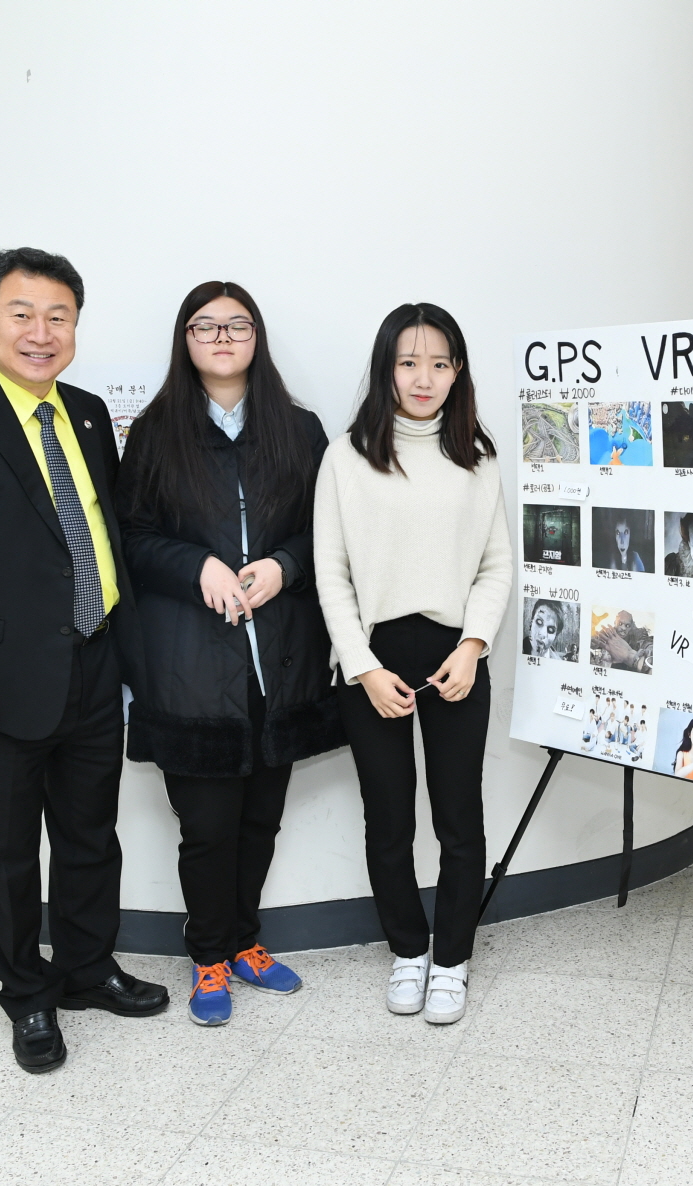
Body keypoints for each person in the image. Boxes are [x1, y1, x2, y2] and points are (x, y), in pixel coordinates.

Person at [0, 248, 169, 1075]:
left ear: (75, 327)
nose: (41, 333)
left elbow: (101, 530)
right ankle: (26, 994)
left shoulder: (83, 414)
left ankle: (87, 968)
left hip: (93, 662)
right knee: (5, 851)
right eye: (22, 314)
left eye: (58, 317)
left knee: (91, 836)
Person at [115, 281, 341, 1027]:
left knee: (258, 821)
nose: (220, 337)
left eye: (235, 325)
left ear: (257, 336)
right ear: (184, 341)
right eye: (204, 327)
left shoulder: (300, 430)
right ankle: (208, 953)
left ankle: (246, 941)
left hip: (278, 665)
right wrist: (195, 567)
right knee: (206, 828)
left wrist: (284, 565)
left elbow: (331, 532)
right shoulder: (154, 434)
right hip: (190, 669)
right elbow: (132, 541)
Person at [314, 302, 511, 1026]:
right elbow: (329, 572)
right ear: (385, 369)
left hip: (456, 653)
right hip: (373, 658)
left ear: (457, 371)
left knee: (460, 817)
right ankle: (408, 949)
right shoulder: (346, 456)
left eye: (439, 363)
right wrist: (361, 665)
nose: (424, 377)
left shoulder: (477, 458)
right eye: (408, 362)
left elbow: (496, 565)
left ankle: (452, 959)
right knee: (388, 816)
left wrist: (474, 645)